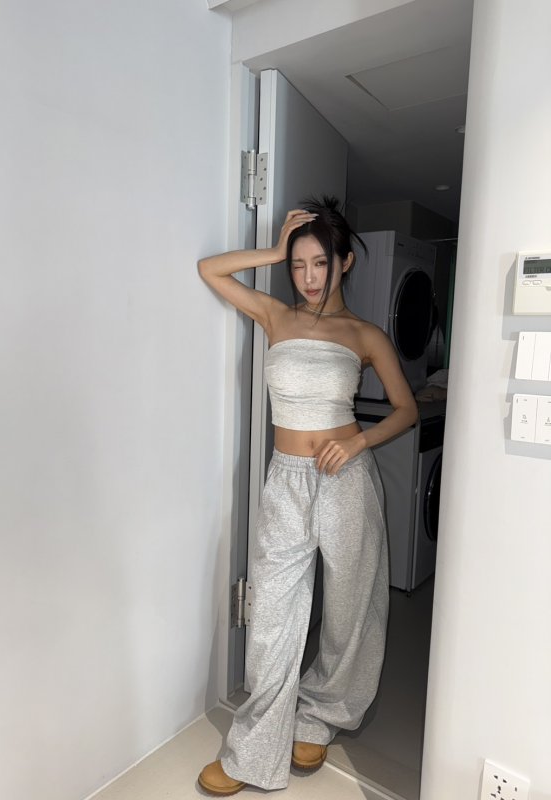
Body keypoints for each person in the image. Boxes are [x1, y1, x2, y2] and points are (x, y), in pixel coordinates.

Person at [197, 197, 418, 795]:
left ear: (344, 262)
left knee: (351, 609)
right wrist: (274, 249)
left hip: (347, 479)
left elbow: (406, 409)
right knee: (271, 615)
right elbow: (210, 270)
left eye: (320, 263)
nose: (308, 277)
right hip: (286, 481)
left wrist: (360, 441)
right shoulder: (275, 315)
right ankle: (252, 753)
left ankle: (319, 715)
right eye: (298, 265)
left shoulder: (365, 335)